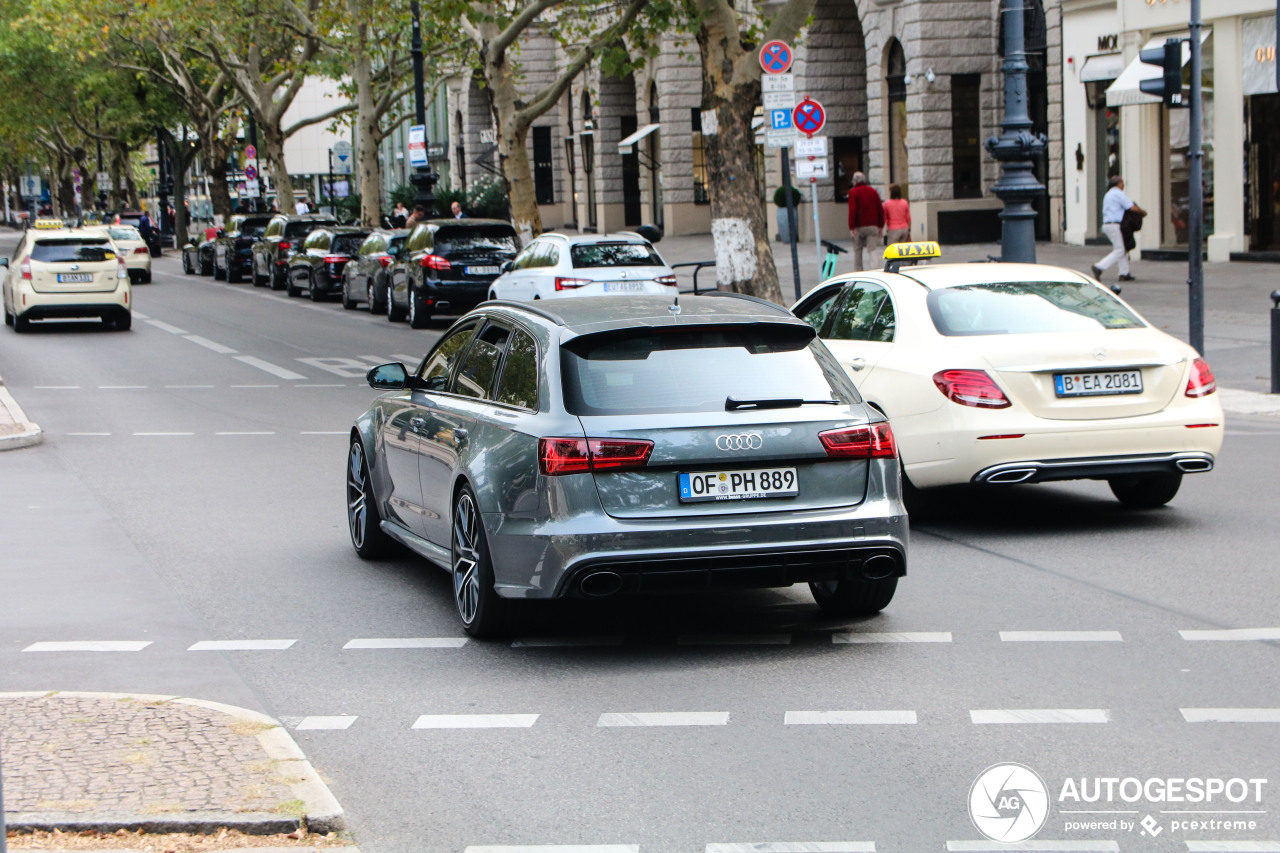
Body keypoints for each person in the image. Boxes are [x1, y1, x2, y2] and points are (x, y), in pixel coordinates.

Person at [1092, 175, 1146, 283]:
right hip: (1115, 224)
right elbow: (1131, 207)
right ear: (1118, 184)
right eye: (1122, 182)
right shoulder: (1118, 194)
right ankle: (1099, 266)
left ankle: (1124, 273)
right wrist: (1142, 212)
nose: (1123, 184)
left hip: (1108, 224)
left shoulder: (1108, 194)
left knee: (1121, 248)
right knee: (1120, 250)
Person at [846, 171, 884, 272]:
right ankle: (876, 269)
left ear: (854, 182)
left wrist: (852, 227)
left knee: (858, 250)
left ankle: (858, 271)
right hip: (872, 225)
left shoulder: (853, 192)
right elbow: (880, 209)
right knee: (872, 248)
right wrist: (880, 226)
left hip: (859, 226)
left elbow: (852, 210)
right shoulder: (873, 191)